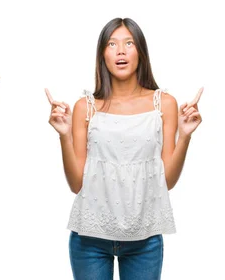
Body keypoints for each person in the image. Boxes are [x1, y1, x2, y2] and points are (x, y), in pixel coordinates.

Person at [46, 17, 203, 280]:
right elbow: (76, 184)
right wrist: (64, 135)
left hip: (145, 239)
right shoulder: (85, 107)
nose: (120, 51)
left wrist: (185, 136)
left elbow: (167, 181)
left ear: (140, 51)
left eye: (129, 43)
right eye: (112, 44)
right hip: (89, 239)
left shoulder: (163, 104)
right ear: (102, 55)